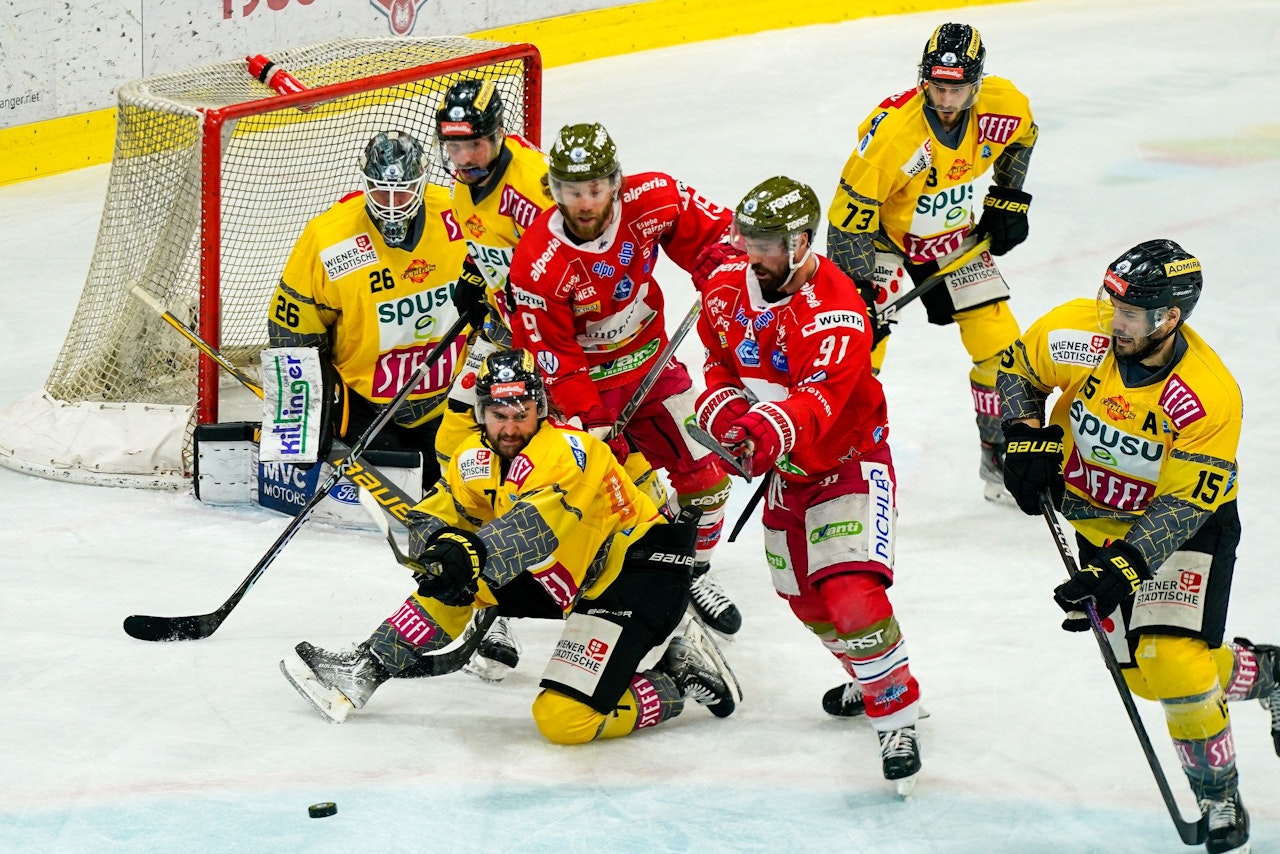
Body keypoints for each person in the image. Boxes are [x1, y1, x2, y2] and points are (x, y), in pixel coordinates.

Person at [280, 348, 739, 744]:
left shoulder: (569, 451)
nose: (511, 427)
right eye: (499, 415)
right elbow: (434, 513)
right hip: (575, 576)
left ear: (541, 409)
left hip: (642, 573)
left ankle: (678, 676)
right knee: (452, 581)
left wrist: (469, 553)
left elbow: (535, 528)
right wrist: (438, 546)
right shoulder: (474, 458)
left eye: (523, 413)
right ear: (482, 414)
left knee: (563, 721)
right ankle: (366, 666)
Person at [997, 239, 1278, 854]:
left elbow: (1184, 504)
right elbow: (1017, 369)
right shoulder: (1081, 331)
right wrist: (1023, 434)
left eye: (1129, 313)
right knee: (1147, 680)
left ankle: (1218, 794)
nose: (1113, 321)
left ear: (1170, 318)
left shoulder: (1207, 394)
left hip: (1184, 529)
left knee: (1172, 663)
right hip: (1098, 523)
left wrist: (1122, 569)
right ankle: (1268, 672)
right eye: (1112, 303)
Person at [430, 78, 672, 678]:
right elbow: (495, 252)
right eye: (453, 146)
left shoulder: (532, 183)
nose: (463, 158)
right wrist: (477, 278)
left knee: (566, 460)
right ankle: (491, 585)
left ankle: (660, 551)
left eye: (473, 145)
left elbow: (568, 261)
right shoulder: (466, 186)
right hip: (506, 332)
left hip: (544, 342)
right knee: (456, 442)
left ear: (497, 136)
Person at [694, 176, 924, 791]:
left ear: (800, 243)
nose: (753, 254)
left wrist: (759, 430)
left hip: (847, 460)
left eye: (767, 244)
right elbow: (718, 362)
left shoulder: (836, 310)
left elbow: (815, 402)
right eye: (748, 240)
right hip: (786, 474)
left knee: (849, 592)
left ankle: (895, 714)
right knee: (803, 598)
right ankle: (872, 676)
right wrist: (724, 410)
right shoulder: (725, 288)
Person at [507, 122, 741, 636]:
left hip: (652, 364)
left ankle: (692, 575)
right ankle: (611, 582)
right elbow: (555, 357)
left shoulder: (653, 197)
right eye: (572, 191)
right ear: (553, 189)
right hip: (585, 387)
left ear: (615, 181)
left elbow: (721, 237)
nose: (585, 203)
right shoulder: (536, 264)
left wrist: (721, 268)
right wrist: (588, 419)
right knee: (594, 499)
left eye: (595, 188)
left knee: (708, 480)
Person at [826, 22, 1038, 504]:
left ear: (976, 84)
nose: (945, 100)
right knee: (858, 352)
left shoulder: (1003, 105)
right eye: (937, 87)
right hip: (881, 237)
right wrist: (856, 292)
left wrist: (1008, 197)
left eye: (956, 89)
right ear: (923, 79)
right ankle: (837, 461)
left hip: (951, 237)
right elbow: (847, 219)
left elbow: (1024, 135)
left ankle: (1000, 457)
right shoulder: (893, 135)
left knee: (1001, 350)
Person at [267, 129, 469, 488]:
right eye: (380, 190)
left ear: (422, 182)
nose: (392, 203)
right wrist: (302, 421)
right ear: (364, 183)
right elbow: (292, 330)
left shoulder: (460, 214)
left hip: (450, 402)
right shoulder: (329, 238)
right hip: (366, 409)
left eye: (403, 190)